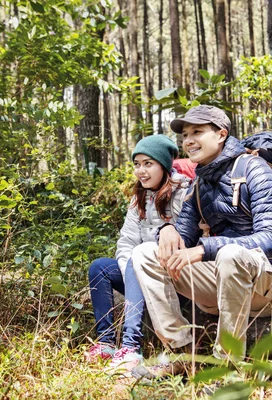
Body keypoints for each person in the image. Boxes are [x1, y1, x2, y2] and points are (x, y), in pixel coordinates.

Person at [131, 105, 272, 375]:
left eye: (197, 132)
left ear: (221, 134)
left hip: (267, 288)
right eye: (185, 135)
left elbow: (270, 237)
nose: (188, 141)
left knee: (230, 254)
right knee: (145, 253)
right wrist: (167, 231)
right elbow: (183, 238)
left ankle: (227, 367)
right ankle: (182, 353)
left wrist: (204, 249)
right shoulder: (200, 182)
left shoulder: (254, 169)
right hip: (222, 285)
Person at [85, 135, 190, 373]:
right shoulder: (138, 198)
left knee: (138, 258)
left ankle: (131, 348)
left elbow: (188, 239)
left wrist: (138, 267)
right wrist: (132, 272)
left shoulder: (183, 194)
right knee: (99, 267)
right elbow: (126, 243)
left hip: (173, 275)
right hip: (139, 271)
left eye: (148, 164)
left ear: (163, 165)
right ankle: (106, 343)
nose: (141, 171)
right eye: (137, 164)